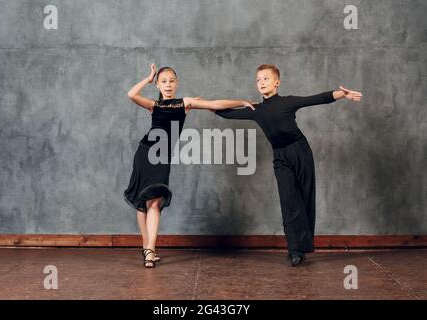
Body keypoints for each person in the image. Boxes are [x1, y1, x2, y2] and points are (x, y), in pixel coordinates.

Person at [214, 64, 362, 266]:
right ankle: (294, 250)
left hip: (300, 151)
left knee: (305, 196)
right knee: (288, 201)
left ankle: (303, 246)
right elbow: (225, 113)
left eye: (265, 79)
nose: (261, 83)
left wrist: (342, 94)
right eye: (258, 80)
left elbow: (316, 99)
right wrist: (198, 104)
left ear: (277, 82)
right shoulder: (256, 110)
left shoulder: (288, 102)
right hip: (280, 156)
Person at [124, 64, 254, 268]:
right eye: (163, 81)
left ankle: (149, 249)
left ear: (177, 84)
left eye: (171, 81)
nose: (168, 85)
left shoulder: (185, 103)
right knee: (143, 202)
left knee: (155, 202)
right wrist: (148, 79)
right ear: (158, 84)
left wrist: (242, 102)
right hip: (145, 152)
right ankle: (148, 249)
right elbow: (131, 93)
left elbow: (216, 104)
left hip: (162, 157)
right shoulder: (153, 105)